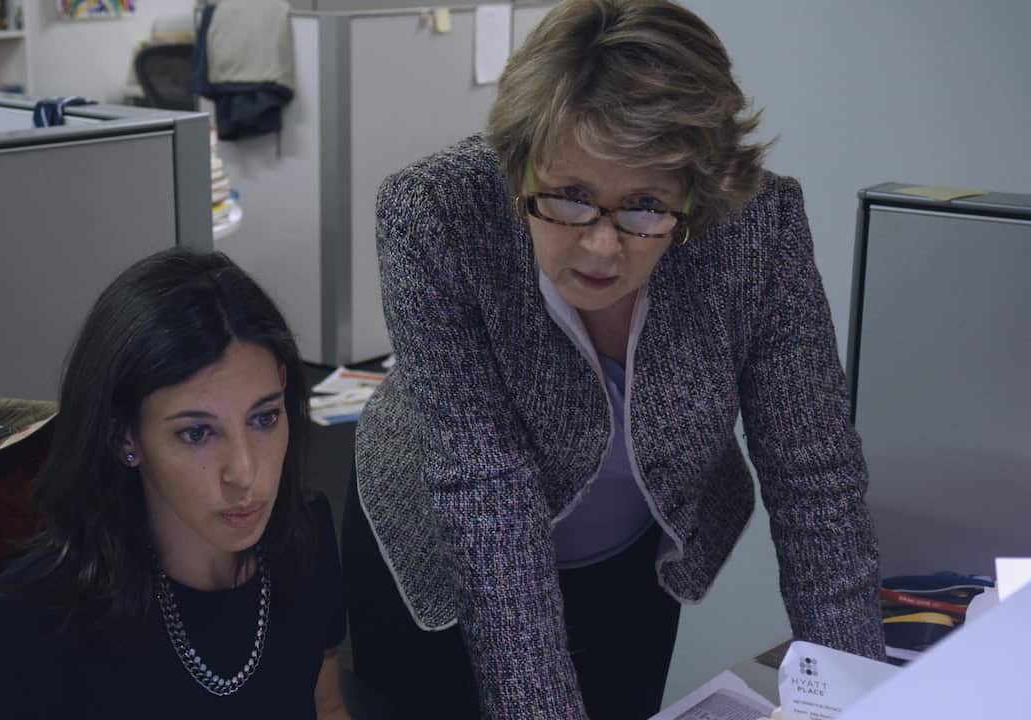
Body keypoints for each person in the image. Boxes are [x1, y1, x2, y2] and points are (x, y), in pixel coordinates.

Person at [342, 1, 885, 718]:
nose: (603, 246)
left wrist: (858, 695)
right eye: (569, 198)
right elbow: (486, 493)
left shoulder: (756, 226)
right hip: (448, 551)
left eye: (645, 205)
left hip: (629, 559)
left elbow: (812, 473)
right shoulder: (437, 213)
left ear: (698, 189)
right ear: (517, 169)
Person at [0, 249, 350, 719]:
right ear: (124, 436)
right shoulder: (31, 619)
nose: (245, 473)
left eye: (264, 417)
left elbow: (326, 709)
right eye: (196, 433)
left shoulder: (305, 534)